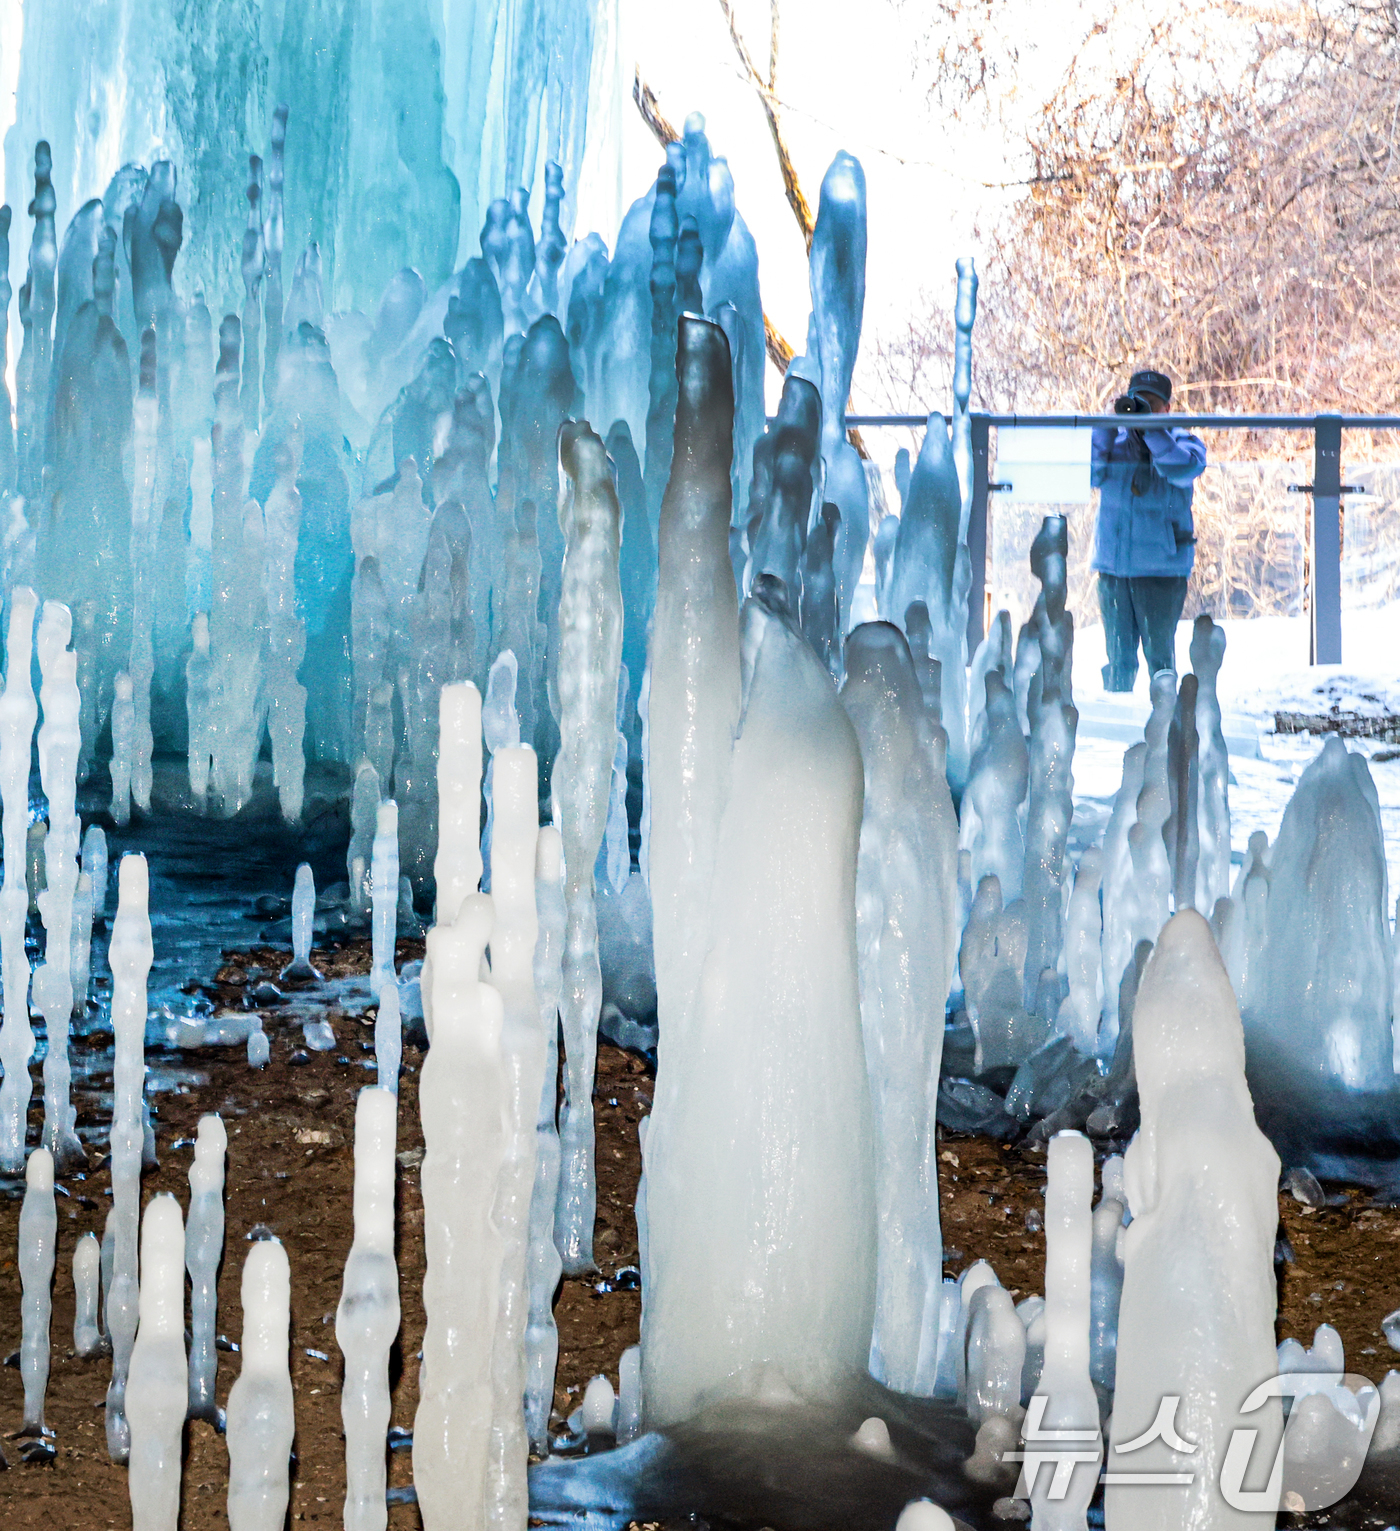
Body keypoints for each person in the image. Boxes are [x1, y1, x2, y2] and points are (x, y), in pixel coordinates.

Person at [1090, 369, 1207, 691]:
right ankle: (1116, 723)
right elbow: (1088, 476)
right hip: (1113, 569)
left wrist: (1151, 432)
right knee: (1118, 659)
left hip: (1161, 570)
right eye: (1137, 401)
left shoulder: (1184, 441)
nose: (1144, 408)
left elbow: (1181, 468)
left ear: (1167, 408)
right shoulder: (1115, 442)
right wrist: (1104, 429)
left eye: (1151, 403)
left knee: (1160, 657)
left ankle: (1166, 725)